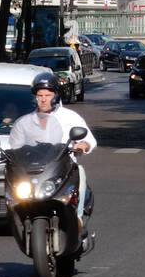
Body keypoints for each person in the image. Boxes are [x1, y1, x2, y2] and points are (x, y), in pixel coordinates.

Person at [9, 71, 95, 216]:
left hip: (63, 170)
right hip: (34, 171)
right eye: (40, 96)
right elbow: (14, 145)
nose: (43, 100)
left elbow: (89, 140)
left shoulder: (69, 117)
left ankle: (77, 219)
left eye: (47, 95)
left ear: (55, 96)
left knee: (80, 175)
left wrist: (83, 145)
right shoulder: (26, 121)